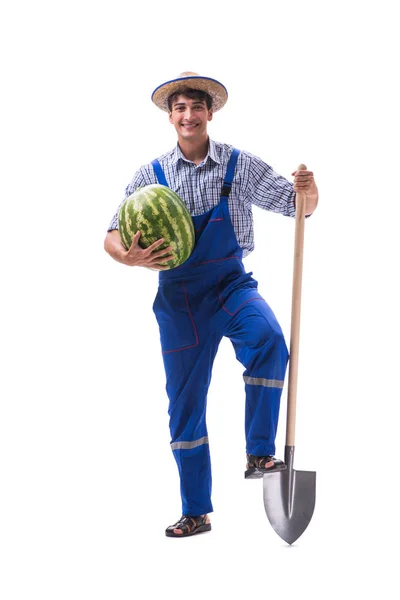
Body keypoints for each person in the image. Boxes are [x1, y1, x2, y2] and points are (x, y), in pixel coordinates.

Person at [104, 71, 318, 538]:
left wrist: (309, 189)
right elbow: (112, 235)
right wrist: (129, 256)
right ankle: (195, 511)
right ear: (170, 116)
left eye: (195, 107)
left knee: (269, 341)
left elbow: (297, 205)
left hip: (230, 284)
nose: (188, 115)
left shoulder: (238, 165)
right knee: (185, 406)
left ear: (210, 113)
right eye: (179, 108)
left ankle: (260, 452)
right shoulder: (150, 177)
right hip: (179, 300)